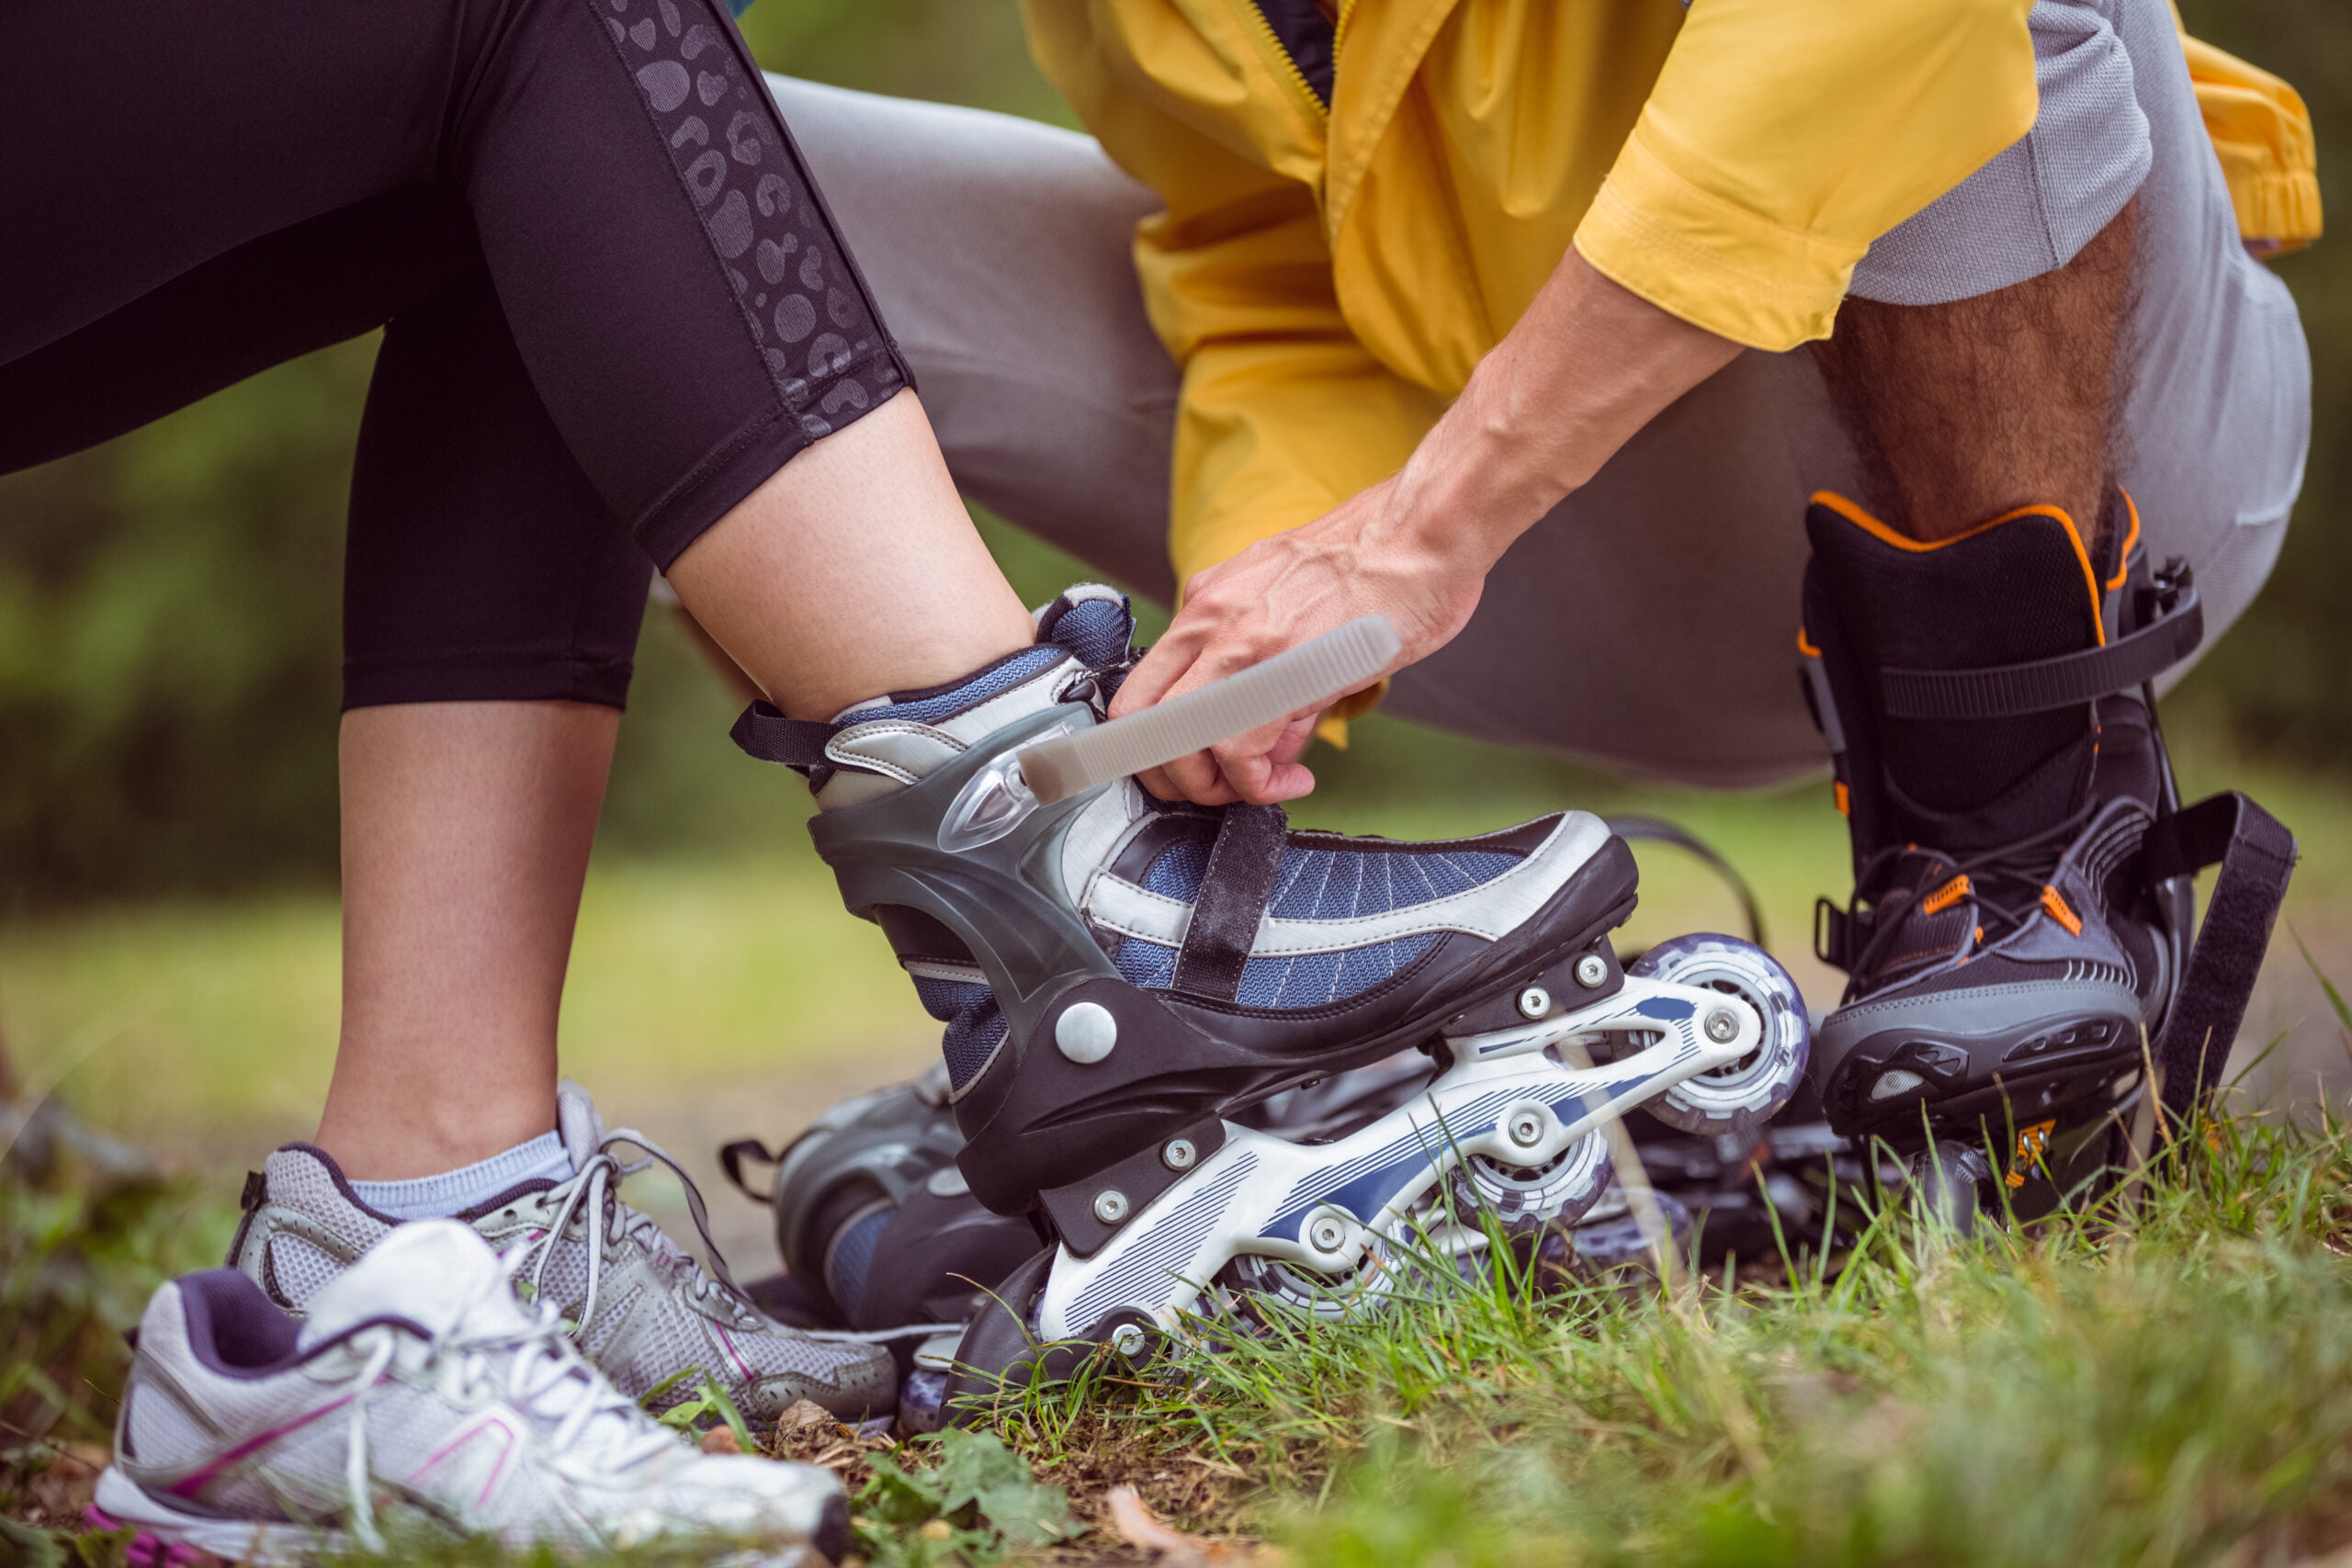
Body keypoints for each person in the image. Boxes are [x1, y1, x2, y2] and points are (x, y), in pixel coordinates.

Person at [695, 0, 2316, 1151]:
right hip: (1618, 543)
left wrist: (1432, 519)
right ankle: (1114, 999)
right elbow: (1273, 262)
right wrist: (1266, 583)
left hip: (2089, 426)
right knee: (635, 143)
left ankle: (2028, 851)